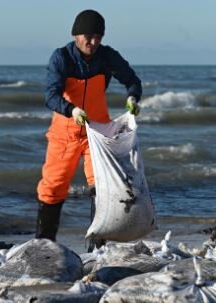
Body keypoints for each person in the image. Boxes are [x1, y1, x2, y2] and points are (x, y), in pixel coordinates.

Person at [35, 9, 143, 245]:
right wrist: (72, 110)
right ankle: (44, 245)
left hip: (98, 133)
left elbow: (132, 80)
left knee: (102, 187)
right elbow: (50, 96)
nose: (92, 42)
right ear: (76, 35)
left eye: (97, 37)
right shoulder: (62, 57)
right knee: (53, 187)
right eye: (87, 36)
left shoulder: (107, 57)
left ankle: (98, 248)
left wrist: (133, 97)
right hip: (65, 133)